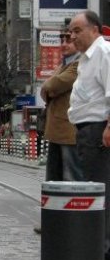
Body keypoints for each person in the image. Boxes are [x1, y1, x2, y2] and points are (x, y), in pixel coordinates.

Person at [68, 10, 110, 260]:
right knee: (95, 187)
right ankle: (99, 246)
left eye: (77, 30)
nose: (73, 36)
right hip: (87, 131)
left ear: (94, 30)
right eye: (71, 31)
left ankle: (103, 250)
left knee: (100, 190)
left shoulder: (103, 53)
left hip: (98, 131)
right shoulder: (85, 59)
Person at [41, 26, 82, 181]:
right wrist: (50, 88)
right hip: (56, 130)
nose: (64, 44)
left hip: (69, 131)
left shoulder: (79, 64)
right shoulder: (63, 65)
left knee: (72, 177)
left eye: (68, 40)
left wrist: (50, 88)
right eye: (61, 40)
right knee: (54, 177)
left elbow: (51, 86)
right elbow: (48, 88)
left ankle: (74, 204)